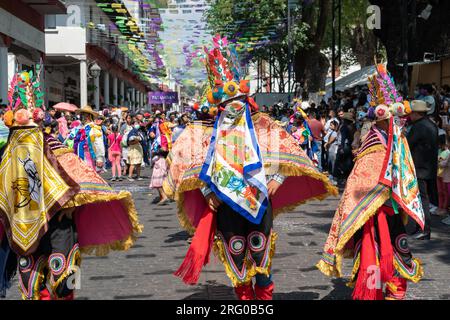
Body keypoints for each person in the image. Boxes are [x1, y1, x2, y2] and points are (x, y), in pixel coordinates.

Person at [164, 36, 337, 300]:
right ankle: (245, 299)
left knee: (260, 252)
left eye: (239, 103)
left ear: (247, 101)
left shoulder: (262, 125)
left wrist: (278, 176)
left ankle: (264, 297)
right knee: (236, 254)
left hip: (258, 200)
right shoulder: (205, 133)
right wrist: (208, 193)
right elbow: (192, 164)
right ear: (219, 106)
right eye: (227, 105)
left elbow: (287, 149)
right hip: (225, 203)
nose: (234, 109)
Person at [0, 69, 142, 300]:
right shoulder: (7, 154)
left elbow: (82, 178)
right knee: (29, 284)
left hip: (58, 223)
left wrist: (71, 203)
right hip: (23, 226)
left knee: (67, 279)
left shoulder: (54, 147)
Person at [318, 65, 425, 300]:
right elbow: (360, 182)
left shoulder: (396, 141)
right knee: (377, 256)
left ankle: (395, 293)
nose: (400, 123)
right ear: (383, 120)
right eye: (395, 119)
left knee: (399, 253)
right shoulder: (375, 145)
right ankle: (377, 292)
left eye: (400, 119)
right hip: (375, 214)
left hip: (394, 211)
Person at [406, 100, 439, 240]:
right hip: (428, 168)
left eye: (411, 113)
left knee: (421, 200)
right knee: (423, 199)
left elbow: (408, 143)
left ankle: (425, 230)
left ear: (416, 113)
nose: (410, 116)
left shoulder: (419, 127)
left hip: (420, 168)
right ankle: (420, 228)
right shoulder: (431, 124)